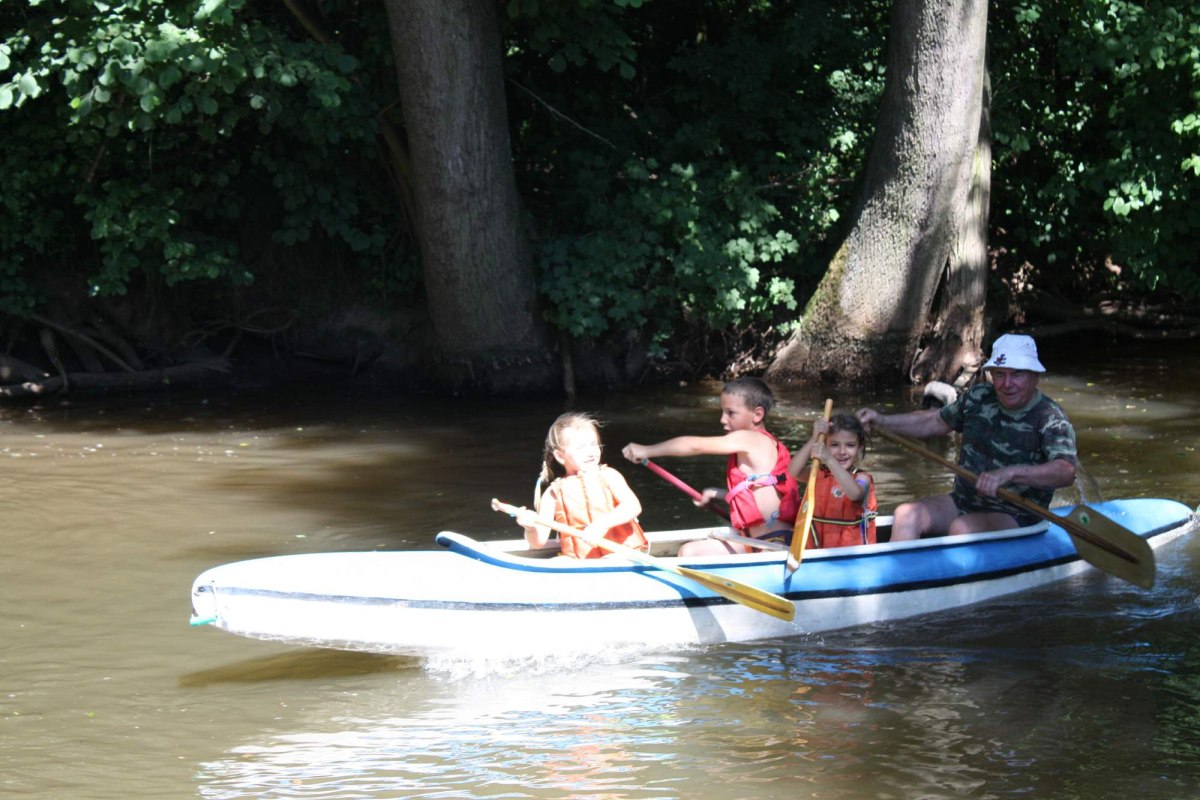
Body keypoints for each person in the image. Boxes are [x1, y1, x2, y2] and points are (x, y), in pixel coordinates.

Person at [856, 333, 1077, 540]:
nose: (1007, 384)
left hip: (1017, 513)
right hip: (964, 501)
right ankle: (902, 568)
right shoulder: (978, 397)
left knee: (962, 527)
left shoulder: (1050, 417)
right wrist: (881, 421)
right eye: (1000, 374)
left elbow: (1066, 471)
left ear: (1035, 376)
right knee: (906, 514)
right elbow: (934, 421)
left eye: (1017, 374)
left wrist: (1010, 474)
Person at [621, 376, 800, 556]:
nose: (722, 419)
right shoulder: (755, 445)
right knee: (689, 551)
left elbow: (695, 446)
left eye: (730, 413)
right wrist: (717, 493)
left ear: (757, 415)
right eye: (722, 412)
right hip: (757, 541)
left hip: (775, 543)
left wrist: (647, 450)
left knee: (689, 553)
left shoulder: (751, 439)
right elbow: (757, 490)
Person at [514, 412, 648, 559]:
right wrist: (530, 528)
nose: (590, 452)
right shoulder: (553, 493)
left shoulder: (609, 476)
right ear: (560, 456)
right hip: (579, 560)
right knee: (558, 561)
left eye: (594, 444)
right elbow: (538, 543)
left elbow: (633, 506)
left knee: (611, 559)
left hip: (623, 554)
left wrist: (602, 524)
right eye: (580, 447)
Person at [789, 412, 878, 548]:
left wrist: (829, 459)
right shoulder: (818, 474)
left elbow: (855, 494)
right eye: (834, 445)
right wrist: (815, 438)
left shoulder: (862, 478)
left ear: (859, 448)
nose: (842, 451)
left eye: (850, 445)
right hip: (816, 551)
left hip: (849, 554)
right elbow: (793, 472)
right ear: (825, 445)